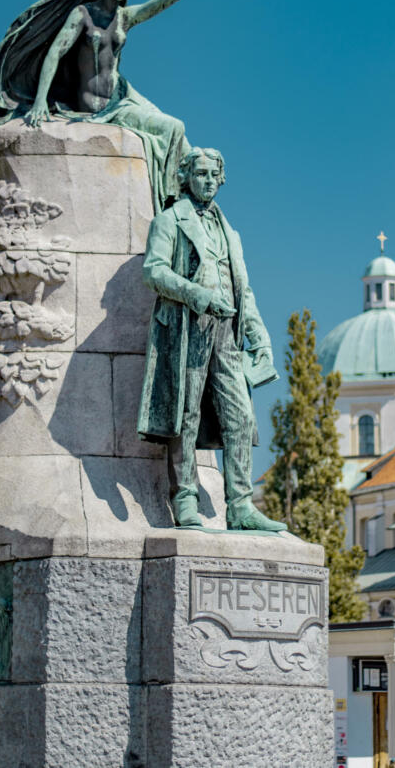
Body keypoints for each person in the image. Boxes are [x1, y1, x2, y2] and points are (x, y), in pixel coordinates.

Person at [0, 0, 205, 213]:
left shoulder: (125, 17)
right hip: (93, 108)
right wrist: (40, 101)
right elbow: (55, 52)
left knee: (177, 131)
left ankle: (182, 203)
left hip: (119, 101)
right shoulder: (82, 14)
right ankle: (172, 205)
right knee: (173, 129)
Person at [137, 147, 285, 531]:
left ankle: (240, 506)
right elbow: (153, 271)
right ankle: (184, 497)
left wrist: (260, 337)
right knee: (185, 414)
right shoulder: (170, 220)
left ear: (222, 178)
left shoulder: (229, 230)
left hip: (228, 334)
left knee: (240, 417)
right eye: (199, 174)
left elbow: (243, 289)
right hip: (188, 328)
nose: (206, 181)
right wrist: (198, 295)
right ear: (186, 177)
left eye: (212, 175)